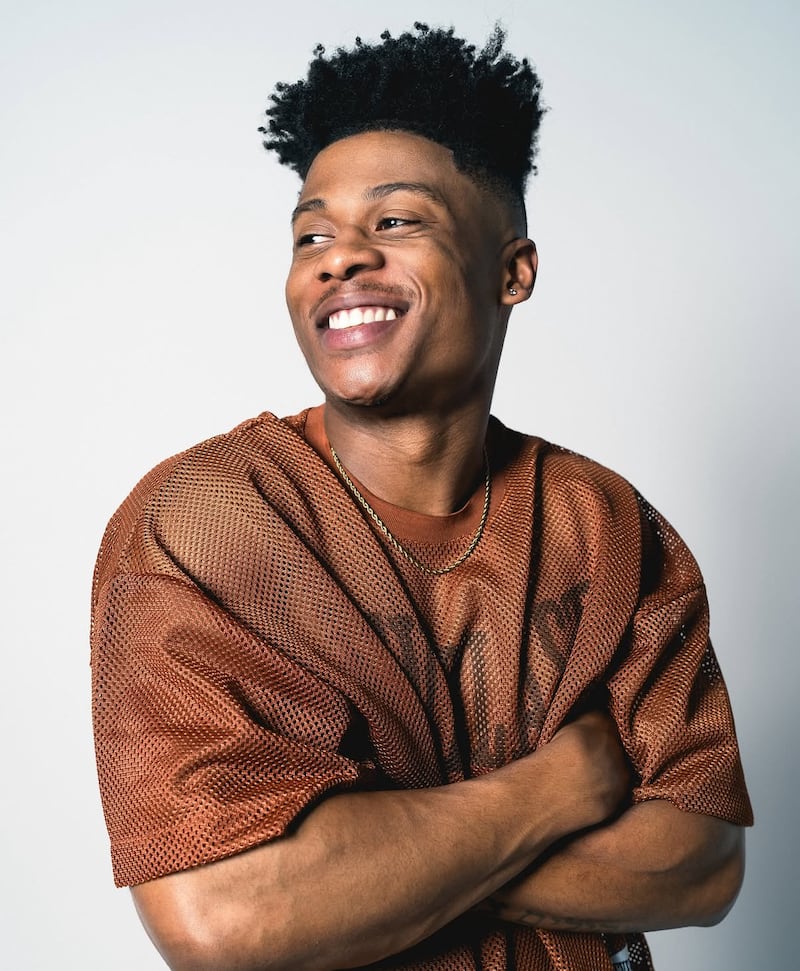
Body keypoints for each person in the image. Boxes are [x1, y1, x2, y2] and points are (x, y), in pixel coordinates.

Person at [91, 23, 752, 971]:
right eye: (311, 233)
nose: (339, 257)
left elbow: (702, 862)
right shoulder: (202, 526)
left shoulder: (606, 528)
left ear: (512, 271)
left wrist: (358, 849)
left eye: (395, 221)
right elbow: (221, 916)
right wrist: (555, 791)